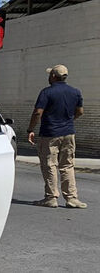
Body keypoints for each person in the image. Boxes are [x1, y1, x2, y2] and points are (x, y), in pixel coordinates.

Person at [27, 64, 86, 209]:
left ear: (53, 76)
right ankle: (71, 198)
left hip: (50, 134)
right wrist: (68, 121)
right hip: (68, 133)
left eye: (50, 75)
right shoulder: (75, 92)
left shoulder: (47, 92)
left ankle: (51, 197)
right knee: (67, 165)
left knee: (49, 165)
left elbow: (37, 113)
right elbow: (80, 112)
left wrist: (30, 129)